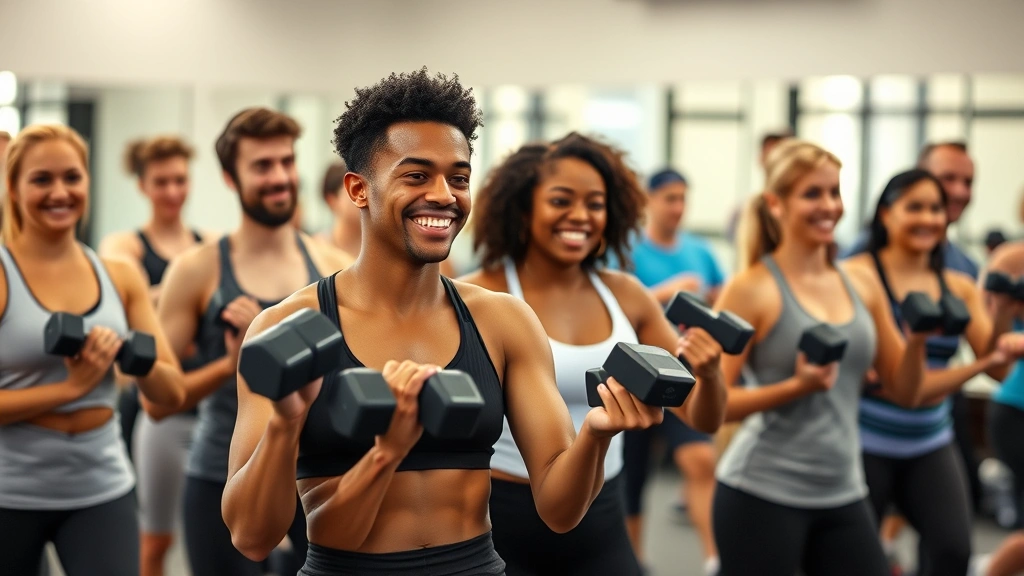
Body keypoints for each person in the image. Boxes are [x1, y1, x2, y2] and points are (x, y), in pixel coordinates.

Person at [221, 68, 666, 576]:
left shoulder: (504, 321)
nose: (444, 195)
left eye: (458, 177)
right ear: (358, 189)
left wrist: (597, 434)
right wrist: (288, 425)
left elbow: (560, 512)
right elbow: (253, 539)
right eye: (416, 176)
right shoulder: (286, 327)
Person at [462, 135, 726, 576]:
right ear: (522, 208)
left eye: (595, 204)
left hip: (601, 515)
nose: (581, 217)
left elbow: (703, 418)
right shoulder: (477, 296)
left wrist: (711, 372)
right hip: (501, 519)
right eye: (561, 201)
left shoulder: (626, 295)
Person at [711, 139, 930, 576]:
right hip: (761, 489)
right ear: (775, 204)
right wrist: (797, 386)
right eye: (813, 193)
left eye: (834, 192)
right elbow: (713, 406)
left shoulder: (862, 280)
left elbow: (907, 391)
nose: (829, 205)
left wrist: (920, 338)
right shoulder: (751, 288)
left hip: (844, 488)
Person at [154, 108, 352, 576]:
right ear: (229, 177)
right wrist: (236, 363)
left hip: (316, 479)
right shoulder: (196, 270)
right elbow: (158, 401)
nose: (280, 177)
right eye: (262, 166)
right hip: (220, 474)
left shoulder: (334, 266)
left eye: (286, 161)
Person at [0, 124, 185, 575]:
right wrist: (72, 387)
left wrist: (131, 358)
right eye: (41, 179)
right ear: (13, 188)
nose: (60, 191)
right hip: (9, 491)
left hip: (101, 486)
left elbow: (172, 392)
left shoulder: (119, 276)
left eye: (72, 176)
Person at [843, 169, 1024, 576]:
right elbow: (893, 382)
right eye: (915, 207)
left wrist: (1005, 315)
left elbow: (996, 366)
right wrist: (977, 364)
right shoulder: (859, 274)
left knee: (952, 551)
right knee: (856, 561)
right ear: (886, 214)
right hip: (862, 441)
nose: (928, 218)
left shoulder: (957, 285)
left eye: (936, 209)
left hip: (929, 441)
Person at [96, 135, 209, 576]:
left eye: (180, 180)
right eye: (161, 182)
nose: (173, 192)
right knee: (155, 537)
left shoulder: (208, 242)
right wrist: (191, 300)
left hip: (209, 400)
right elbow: (127, 303)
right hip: (152, 403)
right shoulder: (125, 246)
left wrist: (161, 299)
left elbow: (149, 301)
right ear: (142, 185)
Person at [614, 167, 725, 574]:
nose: (678, 207)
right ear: (649, 201)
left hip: (681, 371)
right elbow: (610, 303)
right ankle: (633, 563)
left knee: (700, 461)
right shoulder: (625, 251)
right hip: (633, 374)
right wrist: (666, 292)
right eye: (669, 198)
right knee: (632, 480)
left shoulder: (700, 251)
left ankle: (715, 559)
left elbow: (720, 296)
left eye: (683, 199)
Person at [319, 159, 458, 277]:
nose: (367, 195)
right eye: (358, 189)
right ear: (332, 200)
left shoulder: (430, 260)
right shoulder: (315, 253)